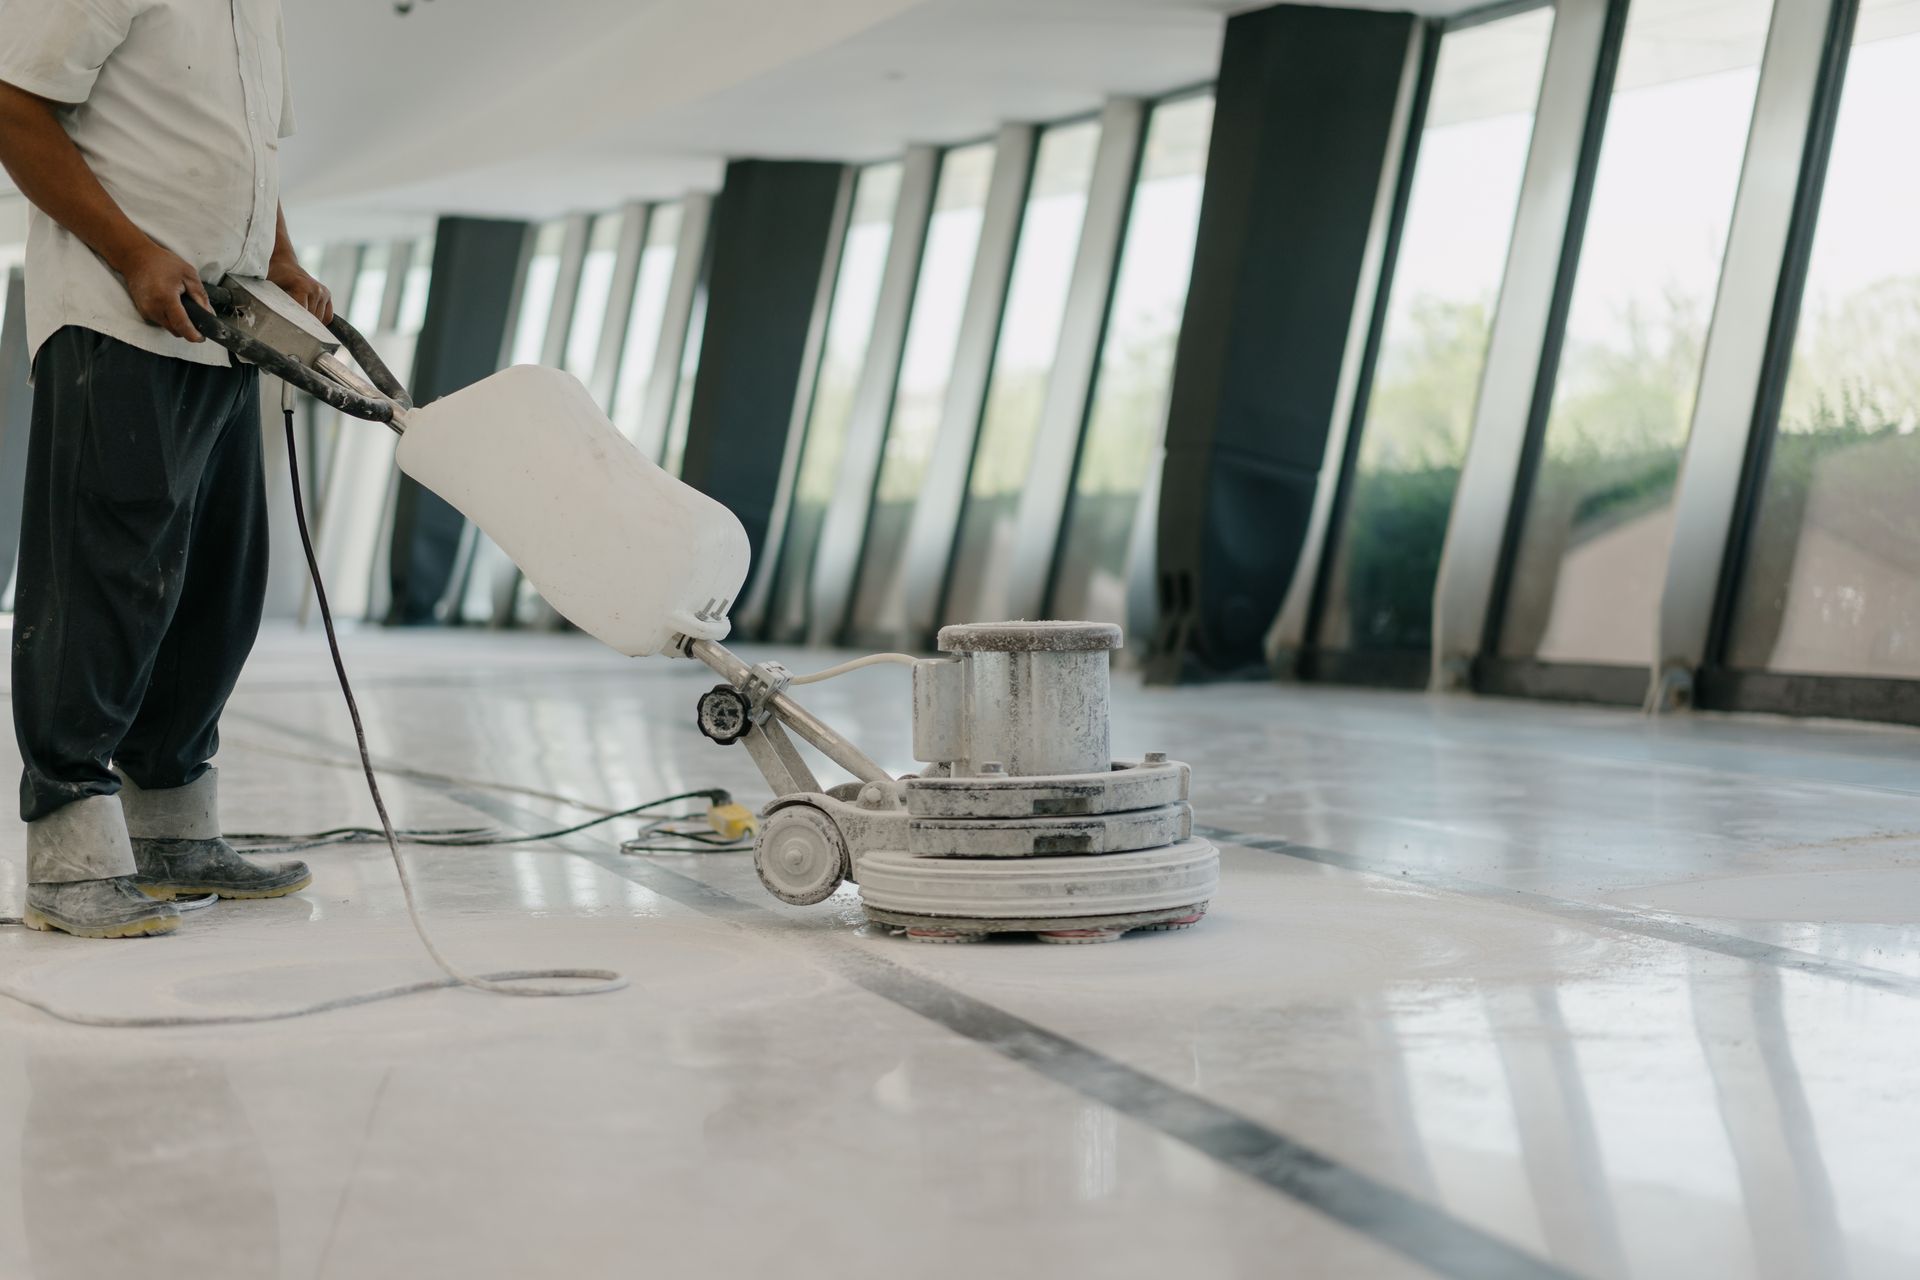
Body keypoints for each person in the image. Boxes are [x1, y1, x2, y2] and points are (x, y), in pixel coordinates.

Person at [0, 0, 324, 938]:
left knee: (218, 589)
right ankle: (68, 859)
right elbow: (14, 102)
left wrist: (284, 259)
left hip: (221, 325)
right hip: (116, 313)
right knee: (103, 585)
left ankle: (173, 833)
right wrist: (133, 248)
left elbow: (252, 157)